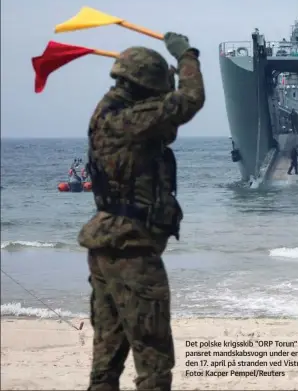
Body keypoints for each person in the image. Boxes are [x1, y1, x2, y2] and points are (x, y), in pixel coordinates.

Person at [78, 32, 205, 391]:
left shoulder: (106, 114)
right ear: (145, 86)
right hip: (131, 248)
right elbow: (190, 99)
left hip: (105, 245)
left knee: (107, 354)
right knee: (154, 358)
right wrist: (187, 57)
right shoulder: (132, 119)